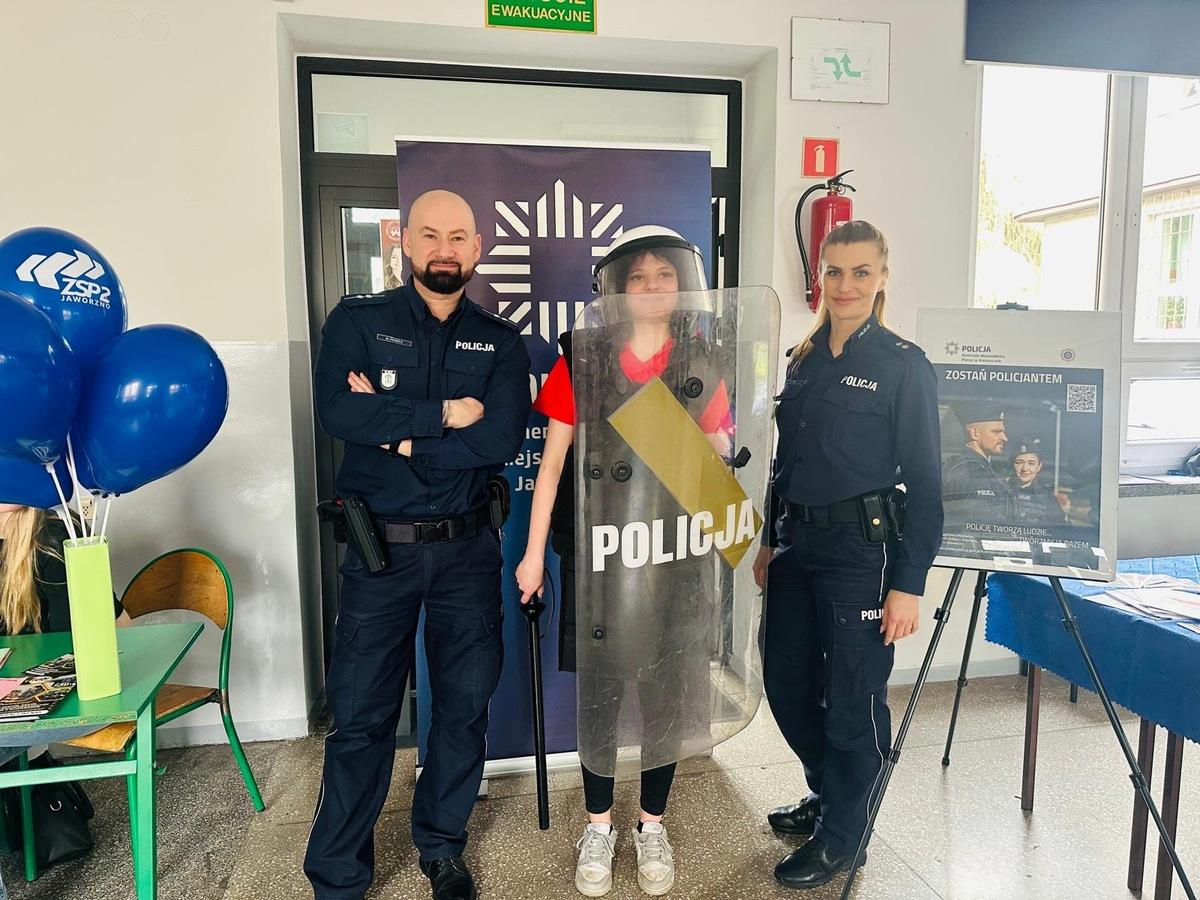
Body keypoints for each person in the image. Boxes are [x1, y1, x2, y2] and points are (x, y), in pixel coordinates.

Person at [304, 189, 532, 900]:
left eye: (458, 237)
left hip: (467, 553)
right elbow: (339, 411)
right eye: (430, 235)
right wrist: (445, 415)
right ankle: (339, 876)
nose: (444, 249)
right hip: (380, 555)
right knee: (361, 716)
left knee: (462, 709)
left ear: (477, 247)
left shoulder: (500, 341)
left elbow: (499, 439)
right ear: (405, 240)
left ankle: (442, 847)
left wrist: (398, 432)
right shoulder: (357, 321)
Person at [516, 226, 730, 897]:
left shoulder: (702, 362)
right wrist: (531, 556)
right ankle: (599, 826)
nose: (652, 287)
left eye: (664, 276)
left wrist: (714, 452)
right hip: (598, 564)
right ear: (617, 289)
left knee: (666, 694)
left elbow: (717, 468)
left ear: (682, 285)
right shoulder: (582, 361)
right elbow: (552, 465)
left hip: (673, 558)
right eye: (638, 277)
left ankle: (651, 826)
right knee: (602, 696)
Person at [754, 220, 943, 890]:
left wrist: (908, 584)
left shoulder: (903, 366)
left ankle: (843, 837)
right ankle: (831, 793)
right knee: (785, 683)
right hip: (797, 545)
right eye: (834, 271)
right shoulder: (802, 359)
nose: (846, 285)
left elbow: (927, 486)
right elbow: (783, 460)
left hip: (861, 553)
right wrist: (769, 538)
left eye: (861, 272)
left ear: (882, 277)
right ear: (820, 278)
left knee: (852, 698)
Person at [941, 401, 1013, 528]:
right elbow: (981, 524)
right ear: (974, 433)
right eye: (997, 431)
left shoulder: (977, 467)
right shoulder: (971, 471)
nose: (1004, 438)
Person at [1009, 438, 1066, 527]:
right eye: (1019, 462)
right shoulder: (999, 490)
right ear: (1012, 464)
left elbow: (1062, 529)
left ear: (1039, 466)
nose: (1024, 469)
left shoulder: (1047, 498)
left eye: (1031, 463)